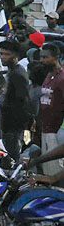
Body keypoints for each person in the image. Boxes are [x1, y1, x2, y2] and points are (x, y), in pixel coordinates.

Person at [0, 40, 32, 161]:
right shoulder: (11, 72)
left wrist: (21, 128)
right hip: (8, 125)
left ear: (15, 56)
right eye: (1, 53)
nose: (2, 57)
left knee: (13, 159)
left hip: (14, 126)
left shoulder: (17, 74)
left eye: (6, 54)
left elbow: (23, 102)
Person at [39, 43, 64, 177]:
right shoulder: (49, 76)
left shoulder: (62, 78)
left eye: (45, 57)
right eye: (41, 57)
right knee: (47, 170)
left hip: (56, 131)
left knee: (56, 171)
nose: (42, 60)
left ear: (56, 57)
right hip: (45, 129)